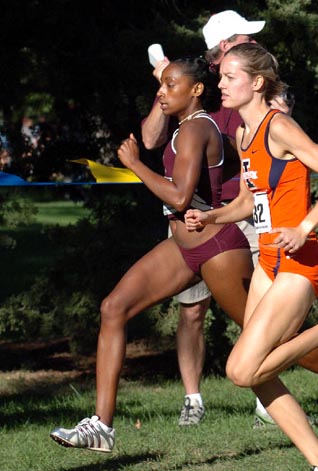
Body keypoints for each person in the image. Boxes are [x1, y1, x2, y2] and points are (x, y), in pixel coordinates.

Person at [50, 56, 254, 452]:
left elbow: (179, 196)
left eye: (170, 85)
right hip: (182, 247)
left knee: (267, 335)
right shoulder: (188, 129)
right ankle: (101, 427)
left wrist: (134, 166)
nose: (161, 92)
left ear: (196, 90)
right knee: (113, 308)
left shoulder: (195, 130)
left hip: (216, 248)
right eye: (160, 85)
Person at [185, 42, 318, 471]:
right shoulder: (242, 133)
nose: (221, 84)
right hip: (268, 261)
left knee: (241, 370)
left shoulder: (279, 126)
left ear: (258, 82)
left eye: (231, 77)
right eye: (221, 76)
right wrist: (212, 218)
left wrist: (304, 227)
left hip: (300, 262)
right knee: (261, 377)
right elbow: (252, 201)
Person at [141, 9, 266, 426]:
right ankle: (193, 398)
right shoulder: (195, 87)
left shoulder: (247, 83)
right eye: (245, 37)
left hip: (240, 212)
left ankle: (267, 395)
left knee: (258, 310)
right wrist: (165, 86)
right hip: (198, 220)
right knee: (192, 311)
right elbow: (150, 138)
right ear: (225, 44)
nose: (254, 42)